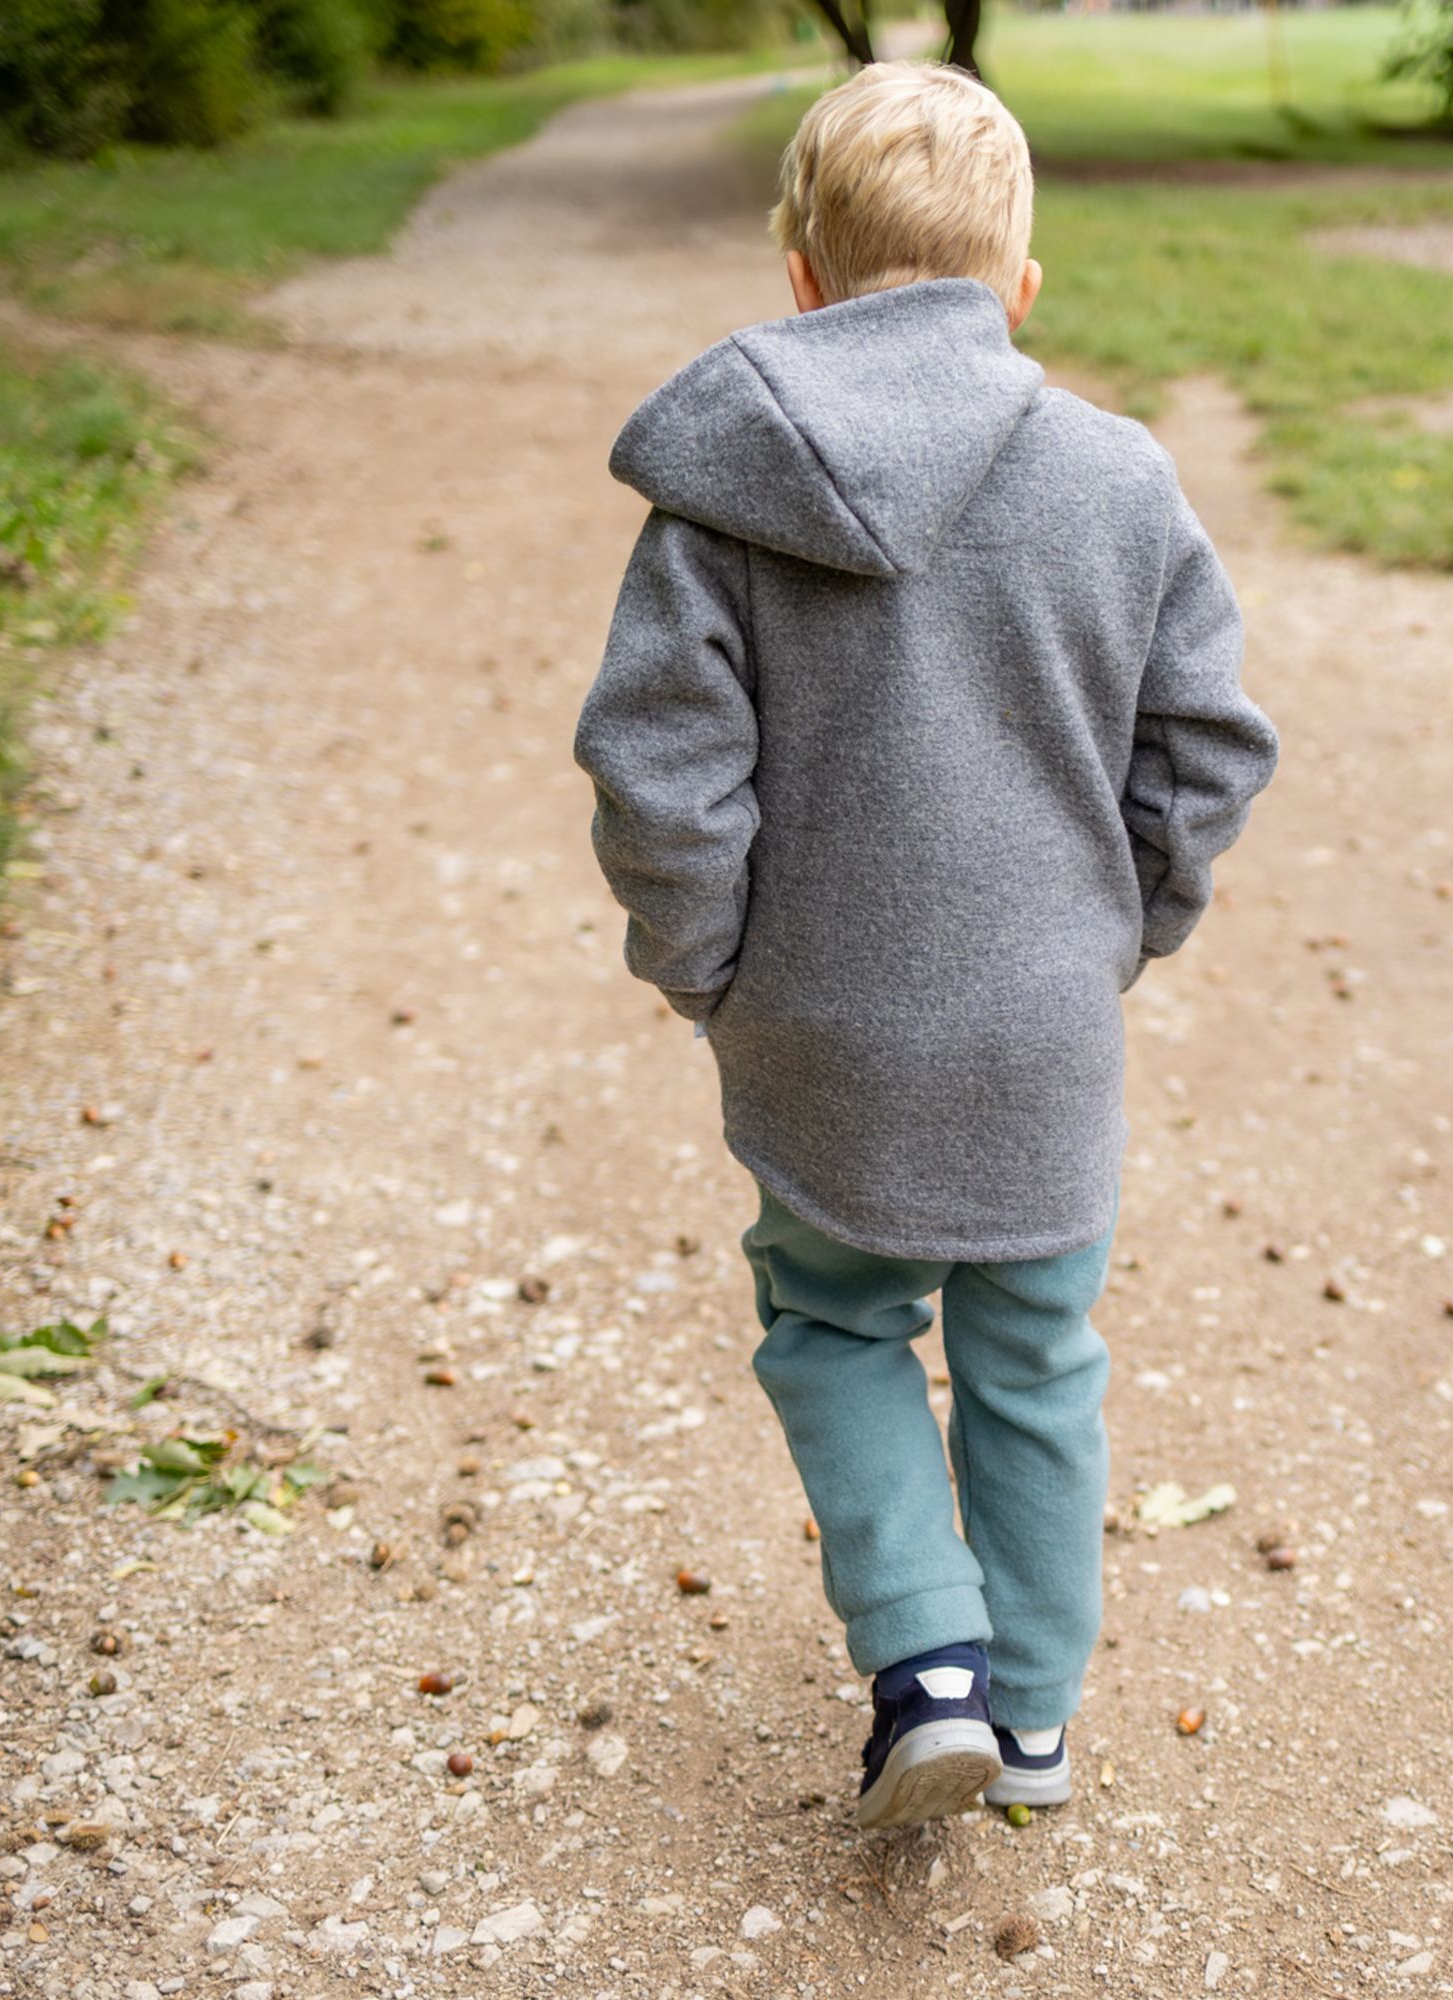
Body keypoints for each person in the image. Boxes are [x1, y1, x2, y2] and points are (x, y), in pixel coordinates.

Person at [574, 59, 1277, 1830]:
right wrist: (1125, 924)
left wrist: (708, 965)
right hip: (1045, 1020)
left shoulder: (722, 501)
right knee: (1036, 1358)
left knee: (832, 1327)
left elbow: (661, 772)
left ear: (798, 276)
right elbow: (1205, 750)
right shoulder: (1120, 483)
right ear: (1018, 285)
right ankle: (1026, 1720)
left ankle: (926, 1664)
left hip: (816, 1019)